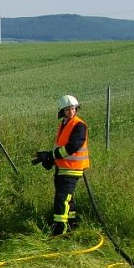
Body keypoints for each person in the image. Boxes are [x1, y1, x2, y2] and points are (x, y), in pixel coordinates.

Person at [33, 95, 90, 236]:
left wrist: (51, 155)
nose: (71, 112)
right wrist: (50, 160)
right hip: (63, 167)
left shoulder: (79, 125)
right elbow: (61, 147)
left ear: (76, 108)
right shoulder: (64, 124)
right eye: (67, 110)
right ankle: (72, 225)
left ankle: (60, 231)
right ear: (62, 111)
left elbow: (72, 147)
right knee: (68, 199)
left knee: (61, 199)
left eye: (73, 109)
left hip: (72, 168)